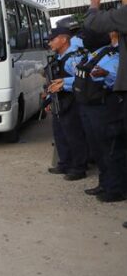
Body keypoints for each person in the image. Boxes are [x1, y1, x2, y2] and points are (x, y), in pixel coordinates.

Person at [73, 31, 125, 202]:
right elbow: (80, 76)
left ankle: (116, 189)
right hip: (88, 106)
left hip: (104, 107)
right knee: (97, 149)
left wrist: (106, 74)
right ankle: (105, 183)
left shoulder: (113, 55)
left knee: (110, 150)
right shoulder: (92, 55)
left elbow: (118, 79)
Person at [46, 27, 89, 181]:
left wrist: (64, 84)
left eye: (52, 39)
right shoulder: (60, 57)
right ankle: (64, 163)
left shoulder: (74, 58)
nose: (49, 42)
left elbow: (83, 79)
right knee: (60, 133)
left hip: (72, 100)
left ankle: (79, 167)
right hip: (60, 101)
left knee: (74, 135)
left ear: (63, 39)